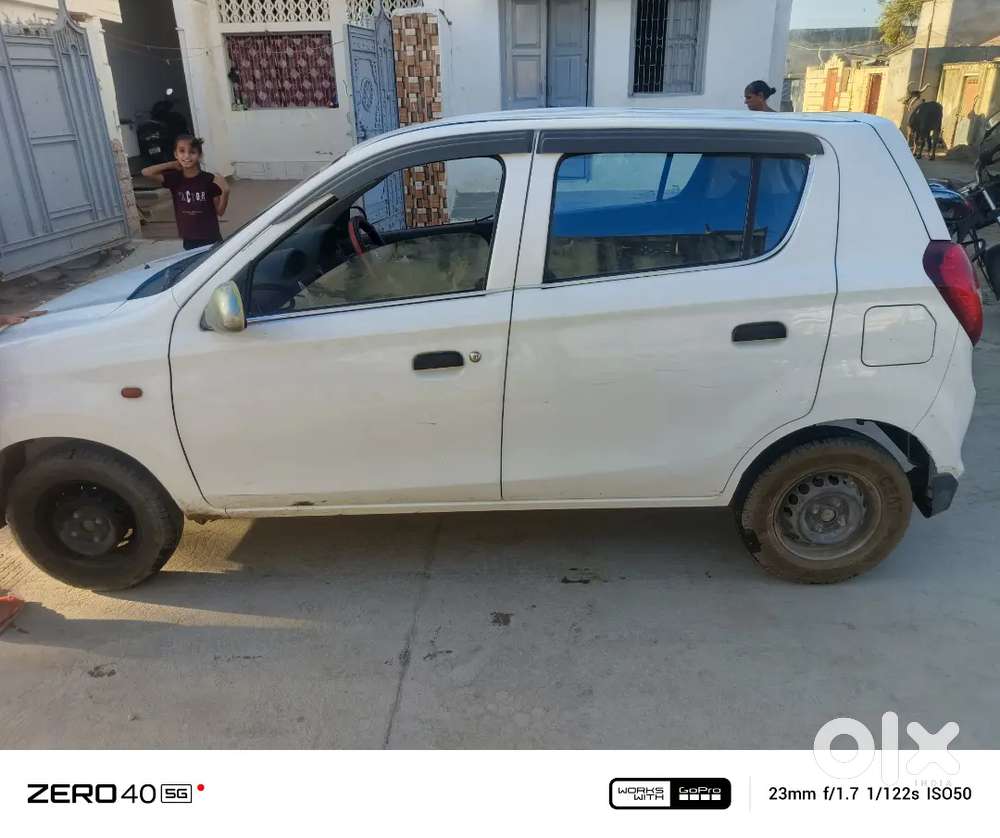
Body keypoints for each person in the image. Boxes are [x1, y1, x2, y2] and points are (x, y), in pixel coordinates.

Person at [141, 135, 229, 250]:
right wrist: (172, 164)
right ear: (176, 154)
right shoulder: (174, 179)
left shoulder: (209, 179)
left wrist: (226, 192)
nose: (187, 156)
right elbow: (146, 172)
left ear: (199, 155)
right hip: (189, 238)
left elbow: (220, 212)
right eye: (182, 151)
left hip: (211, 237)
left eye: (192, 152)